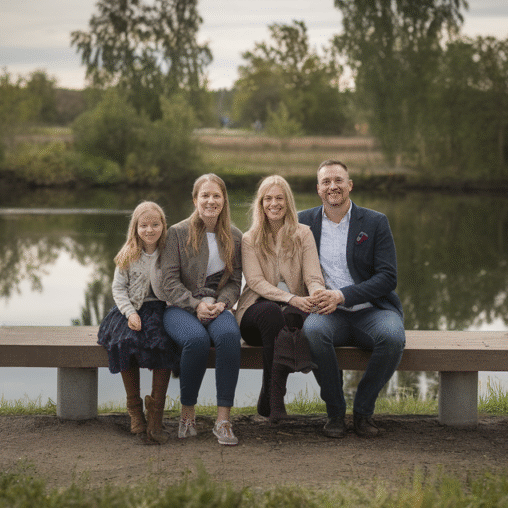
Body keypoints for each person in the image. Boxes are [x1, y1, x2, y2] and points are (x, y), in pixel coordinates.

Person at [299, 160, 405, 438]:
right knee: (312, 332)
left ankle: (363, 411)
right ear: (318, 188)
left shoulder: (375, 221)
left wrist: (342, 295)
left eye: (338, 180)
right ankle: (335, 412)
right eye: (326, 182)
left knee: (393, 337)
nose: (332, 186)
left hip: (371, 310)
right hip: (327, 314)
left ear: (349, 185)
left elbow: (387, 277)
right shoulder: (302, 221)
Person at [155, 173, 243, 445]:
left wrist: (223, 303)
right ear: (195, 199)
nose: (210, 201)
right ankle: (187, 415)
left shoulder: (235, 236)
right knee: (196, 340)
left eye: (216, 195)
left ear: (224, 200)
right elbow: (169, 281)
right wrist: (195, 305)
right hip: (180, 307)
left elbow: (236, 280)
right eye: (204, 195)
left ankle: (223, 421)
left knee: (229, 337)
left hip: (217, 307)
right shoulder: (177, 234)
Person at [238, 175, 327, 421]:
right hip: (255, 313)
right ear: (260, 203)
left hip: (292, 311)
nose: (273, 204)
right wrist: (290, 298)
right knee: (272, 313)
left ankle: (270, 400)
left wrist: (318, 293)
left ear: (288, 202)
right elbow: (255, 282)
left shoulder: (303, 234)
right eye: (268, 198)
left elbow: (312, 276)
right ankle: (275, 397)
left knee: (292, 318)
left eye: (279, 198)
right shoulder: (249, 238)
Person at [96, 201, 178, 444]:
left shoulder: (170, 253)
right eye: (144, 225)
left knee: (164, 343)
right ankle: (134, 409)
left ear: (163, 226)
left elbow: (177, 284)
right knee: (125, 342)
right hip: (131, 308)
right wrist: (130, 313)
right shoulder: (128, 254)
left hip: (162, 309)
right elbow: (118, 289)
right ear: (136, 227)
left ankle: (156, 413)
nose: (150, 230)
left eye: (155, 224)